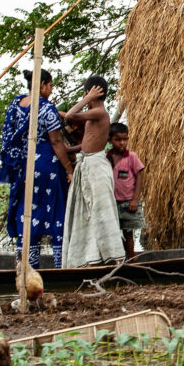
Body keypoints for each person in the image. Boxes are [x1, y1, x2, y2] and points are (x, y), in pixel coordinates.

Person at [0, 69, 73, 268]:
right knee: (56, 211)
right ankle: (60, 265)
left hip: (23, 166)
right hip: (46, 165)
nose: (51, 90)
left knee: (27, 212)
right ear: (42, 85)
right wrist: (69, 169)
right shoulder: (46, 108)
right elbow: (56, 141)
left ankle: (26, 267)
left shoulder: (16, 104)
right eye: (50, 86)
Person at [61, 76, 125, 266]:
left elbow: (70, 115)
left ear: (90, 92)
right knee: (90, 213)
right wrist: (70, 150)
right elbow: (89, 141)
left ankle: (116, 257)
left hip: (96, 167)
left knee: (102, 211)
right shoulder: (94, 114)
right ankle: (92, 258)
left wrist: (87, 98)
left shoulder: (99, 112)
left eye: (86, 93)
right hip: (88, 164)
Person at [107, 122, 146, 259]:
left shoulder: (131, 157)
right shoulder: (107, 158)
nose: (122, 143)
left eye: (125, 139)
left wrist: (135, 199)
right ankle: (125, 255)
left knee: (128, 232)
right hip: (112, 203)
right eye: (117, 140)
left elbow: (139, 177)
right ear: (109, 140)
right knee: (113, 232)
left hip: (128, 202)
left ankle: (131, 255)